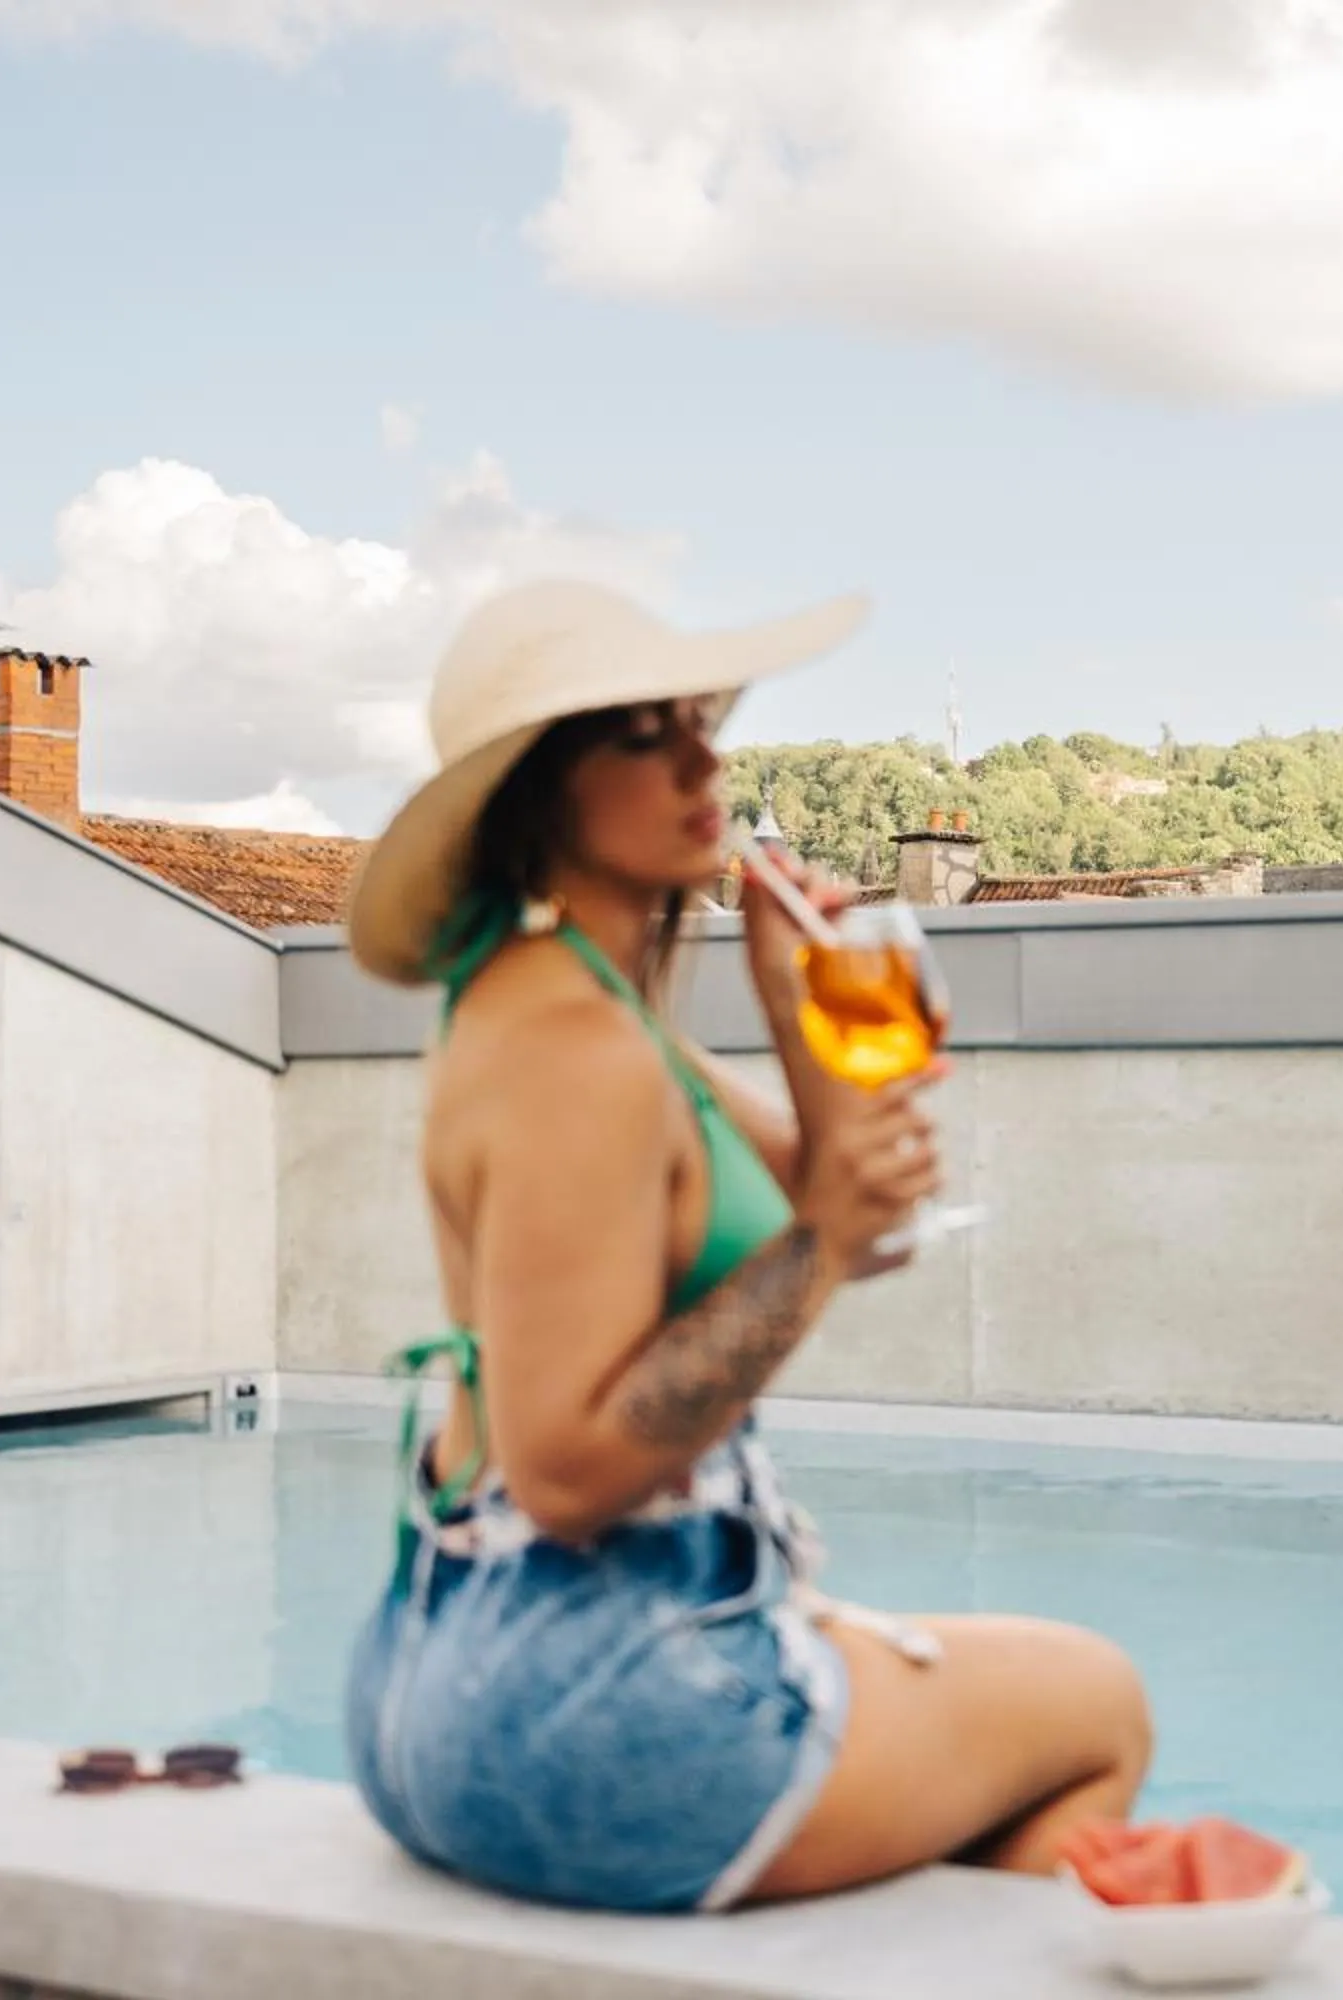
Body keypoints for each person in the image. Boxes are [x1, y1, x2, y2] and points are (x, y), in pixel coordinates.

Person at [339, 581, 1153, 1913]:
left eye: (700, 722)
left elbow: (860, 1218)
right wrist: (821, 1244)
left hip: (456, 1672)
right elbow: (565, 1470)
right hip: (588, 1700)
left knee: (980, 1710)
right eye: (642, 735)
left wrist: (791, 995)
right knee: (1099, 1708)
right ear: (536, 799)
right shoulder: (577, 1053)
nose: (703, 759)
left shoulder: (576, 1007)